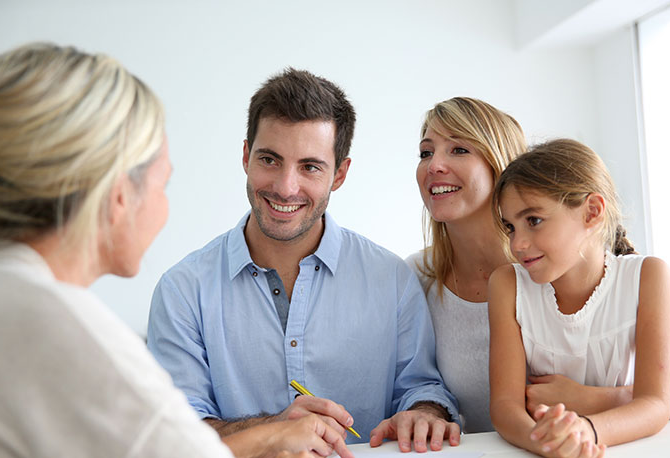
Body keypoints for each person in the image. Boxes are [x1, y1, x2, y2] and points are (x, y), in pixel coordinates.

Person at [0, 43, 351, 458]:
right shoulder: (73, 335)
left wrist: (270, 435)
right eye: (163, 183)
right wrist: (273, 435)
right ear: (119, 195)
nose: (285, 187)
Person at [147, 68, 461, 453]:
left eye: (310, 167)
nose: (285, 187)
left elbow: (420, 388)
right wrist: (271, 429)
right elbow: (176, 430)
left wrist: (424, 412)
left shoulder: (392, 278)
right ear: (246, 156)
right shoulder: (182, 290)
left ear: (340, 174)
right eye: (269, 159)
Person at [407, 97, 670, 434]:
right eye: (426, 152)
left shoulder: (564, 265)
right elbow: (414, 385)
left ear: (500, 164)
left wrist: (597, 401)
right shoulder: (416, 277)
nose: (434, 165)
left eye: (458, 149)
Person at [488, 138, 670, 456]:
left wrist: (585, 432)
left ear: (592, 212)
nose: (517, 244)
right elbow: (505, 407)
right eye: (510, 227)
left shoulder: (649, 276)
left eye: (533, 221)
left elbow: (655, 403)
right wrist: (549, 444)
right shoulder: (507, 284)